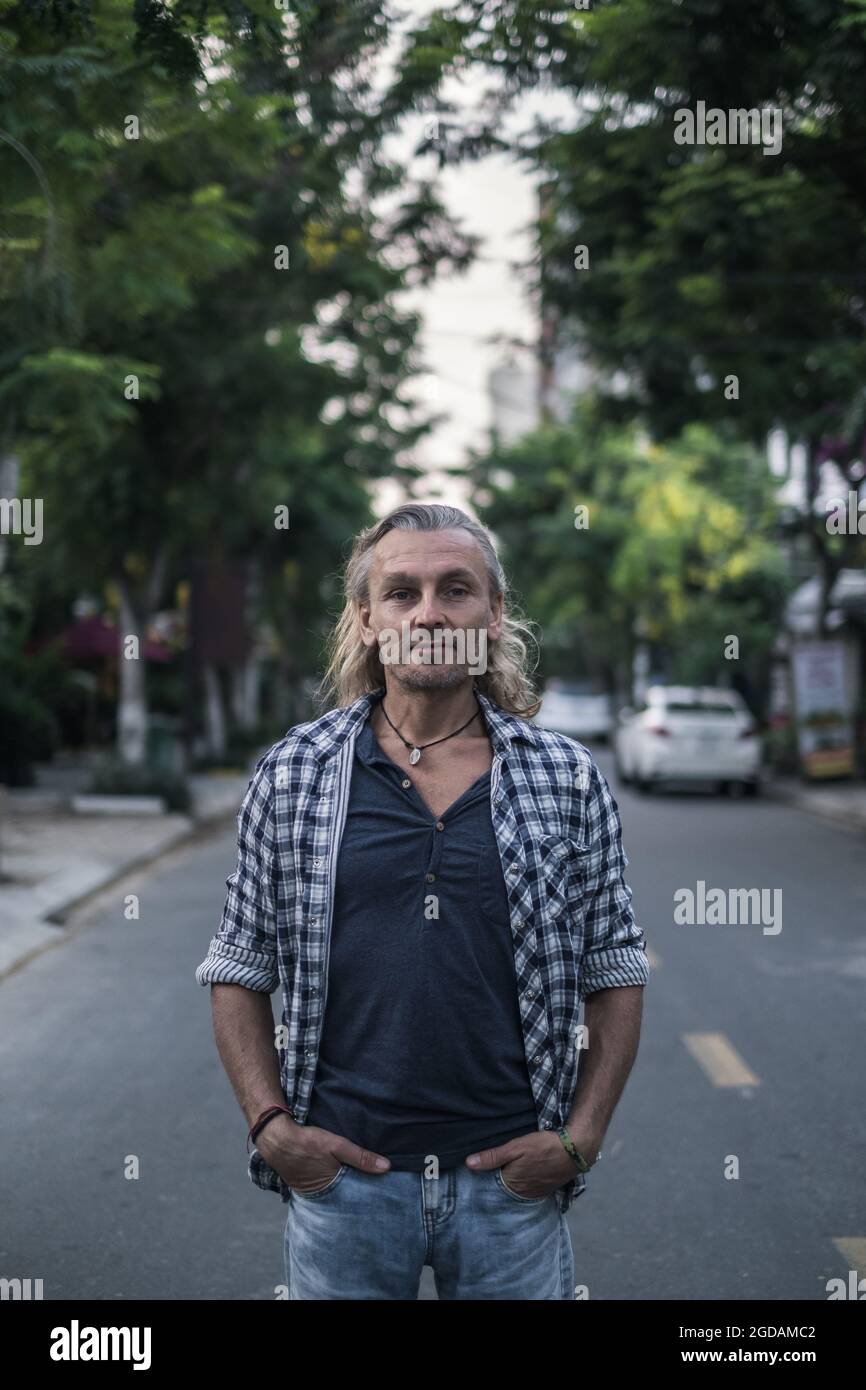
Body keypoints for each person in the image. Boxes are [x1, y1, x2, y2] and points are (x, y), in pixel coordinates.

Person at [195, 502, 649, 1300]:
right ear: (367, 620)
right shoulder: (294, 772)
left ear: (494, 613)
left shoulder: (565, 777)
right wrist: (273, 1131)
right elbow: (239, 961)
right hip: (345, 1188)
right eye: (402, 593)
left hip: (512, 1190)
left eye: (456, 589)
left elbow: (615, 967)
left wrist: (579, 1140)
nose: (430, 613)